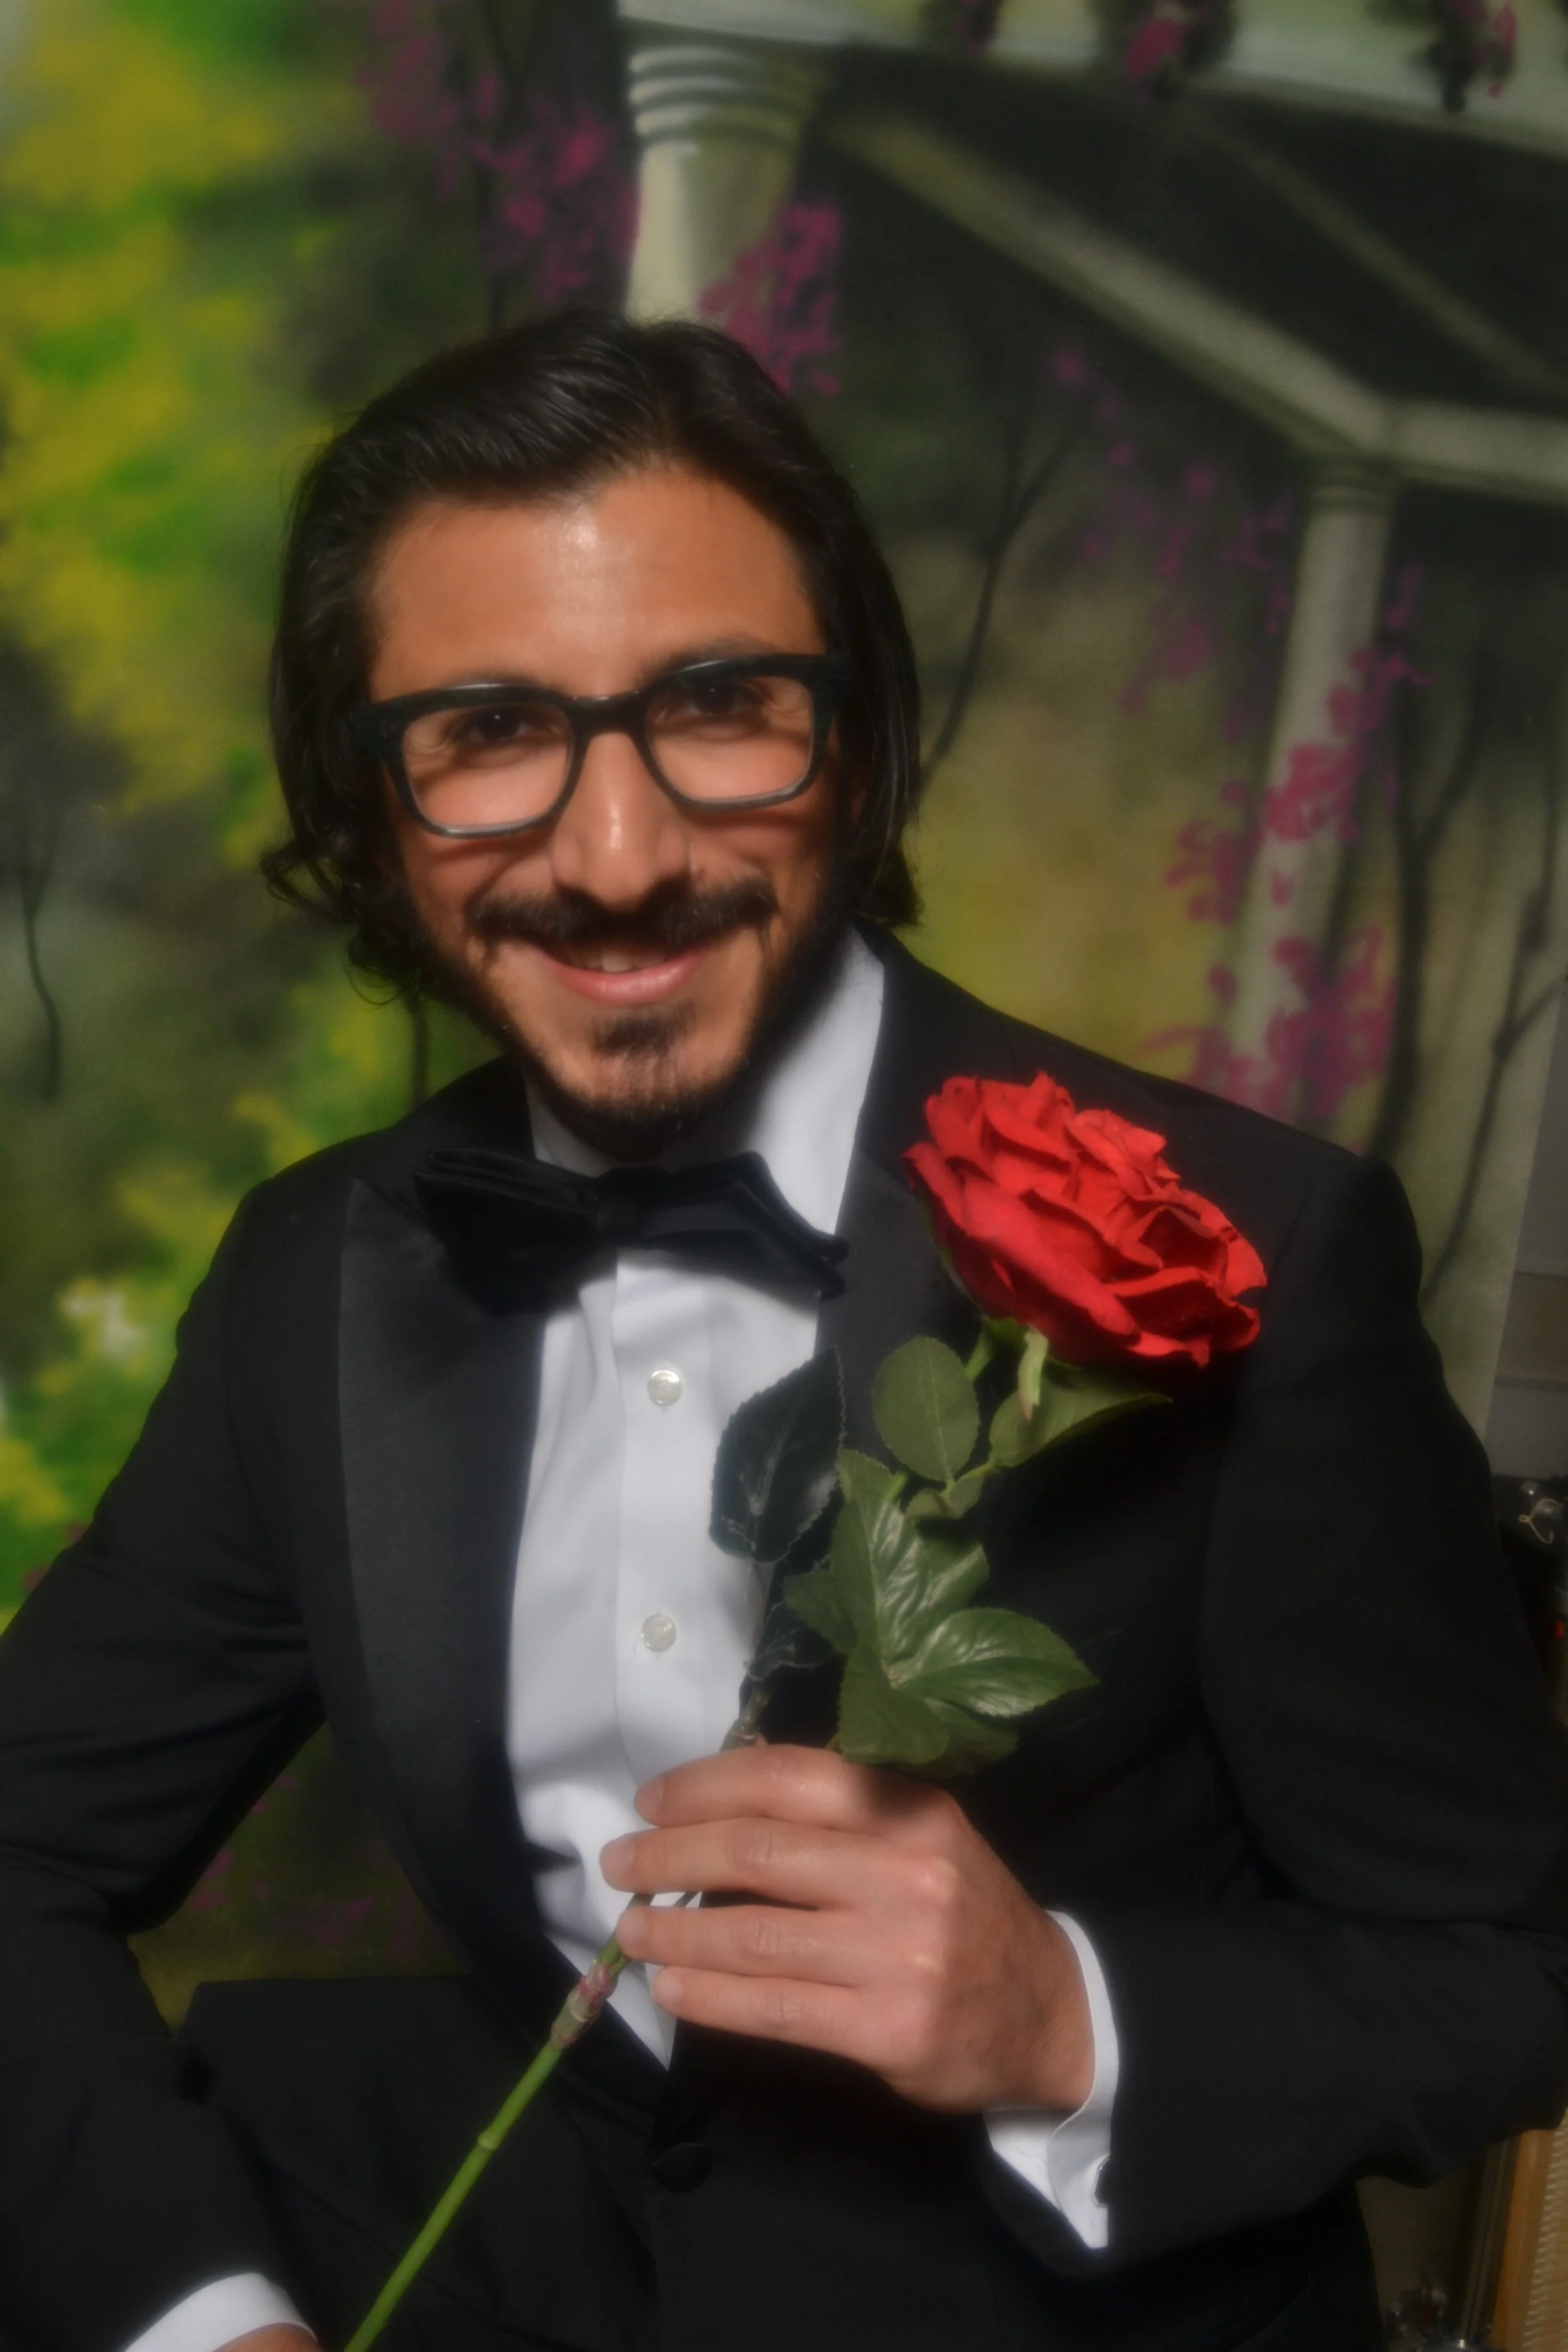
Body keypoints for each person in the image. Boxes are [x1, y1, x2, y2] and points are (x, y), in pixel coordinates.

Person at [0, 310, 1563, 2352]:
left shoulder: (1255, 1247)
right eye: (487, 728)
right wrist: (206, 2326)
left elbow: (1509, 1962)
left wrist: (1063, 2016)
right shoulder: (318, 1271)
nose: (619, 858)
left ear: (860, 744)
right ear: (371, 808)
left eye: (721, 701)